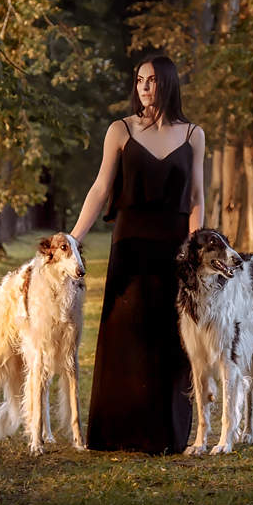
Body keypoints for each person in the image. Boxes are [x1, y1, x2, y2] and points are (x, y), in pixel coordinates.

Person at [69, 54, 205, 453]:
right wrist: (74, 238)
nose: (144, 87)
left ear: (168, 84)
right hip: (130, 244)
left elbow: (196, 198)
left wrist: (196, 252)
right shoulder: (120, 131)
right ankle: (118, 432)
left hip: (175, 250)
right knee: (126, 333)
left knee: (171, 338)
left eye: (152, 80)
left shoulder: (193, 134)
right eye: (140, 80)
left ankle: (165, 434)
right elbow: (100, 189)